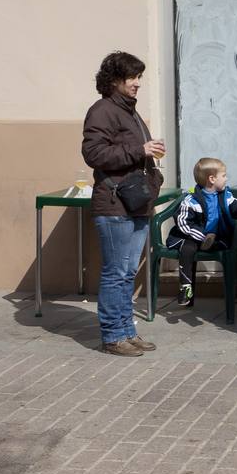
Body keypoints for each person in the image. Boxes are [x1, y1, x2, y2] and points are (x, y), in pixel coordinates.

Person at [82, 51, 165, 357]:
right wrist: (138, 149)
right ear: (115, 80)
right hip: (115, 202)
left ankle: (127, 330)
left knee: (128, 272)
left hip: (136, 202)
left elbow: (131, 151)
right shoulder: (102, 110)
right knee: (116, 272)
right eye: (132, 77)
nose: (137, 83)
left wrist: (149, 153)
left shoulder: (129, 112)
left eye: (139, 77)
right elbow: (94, 154)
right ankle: (113, 336)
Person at [165, 157, 237, 306]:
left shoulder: (226, 196)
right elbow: (183, 223)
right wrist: (202, 236)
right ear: (212, 179)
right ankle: (186, 287)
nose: (226, 179)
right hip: (193, 237)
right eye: (224, 175)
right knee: (187, 248)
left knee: (228, 246)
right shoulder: (191, 200)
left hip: (219, 238)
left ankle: (211, 242)